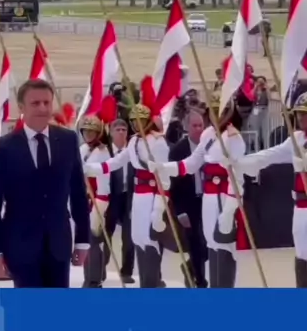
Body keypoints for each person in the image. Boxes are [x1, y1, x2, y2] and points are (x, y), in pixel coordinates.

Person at [0, 79, 90, 288]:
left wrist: (83, 240)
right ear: (21, 108)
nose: (42, 108)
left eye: (46, 102)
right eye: (35, 103)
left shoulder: (68, 140)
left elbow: (78, 193)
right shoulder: (4, 148)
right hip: (20, 245)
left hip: (58, 244)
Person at [151, 97, 245, 289]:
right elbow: (192, 163)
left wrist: (229, 210)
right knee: (210, 244)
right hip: (208, 198)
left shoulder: (234, 138)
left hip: (223, 196)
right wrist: (165, 167)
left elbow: (238, 177)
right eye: (212, 111)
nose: (215, 116)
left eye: (220, 111)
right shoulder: (208, 134)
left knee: (224, 245)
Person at [83, 102, 170, 288]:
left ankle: (152, 284)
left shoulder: (158, 142)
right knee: (138, 238)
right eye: (134, 121)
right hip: (138, 195)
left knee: (150, 240)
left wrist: (159, 208)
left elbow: (164, 179)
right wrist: (90, 168)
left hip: (153, 195)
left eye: (141, 121)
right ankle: (144, 284)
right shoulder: (133, 141)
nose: (137, 124)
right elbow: (115, 162)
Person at [234, 92, 307, 287]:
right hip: (300, 207)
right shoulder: (297, 139)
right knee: (302, 255)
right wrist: (239, 163)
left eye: (305, 114)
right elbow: (269, 155)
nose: (301, 118)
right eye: (299, 113)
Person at [169, 110, 208, 288]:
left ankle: (190, 267)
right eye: (195, 126)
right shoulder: (178, 150)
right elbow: (174, 184)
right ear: (187, 127)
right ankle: (200, 281)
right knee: (195, 242)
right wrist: (179, 211)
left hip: (208, 199)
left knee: (207, 244)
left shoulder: (210, 145)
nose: (199, 129)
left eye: (201, 125)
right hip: (188, 202)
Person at [78, 114, 111, 288]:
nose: (88, 135)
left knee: (94, 241)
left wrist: (100, 204)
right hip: (82, 200)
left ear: (98, 133)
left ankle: (95, 279)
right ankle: (87, 277)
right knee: (84, 241)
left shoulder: (103, 152)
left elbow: (104, 181)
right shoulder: (82, 149)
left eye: (92, 132)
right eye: (86, 131)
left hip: (97, 199)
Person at [103, 118, 135, 284]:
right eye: (118, 130)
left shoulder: (133, 151)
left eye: (124, 129)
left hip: (129, 197)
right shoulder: (105, 151)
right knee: (106, 234)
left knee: (129, 237)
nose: (121, 132)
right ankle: (100, 268)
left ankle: (127, 271)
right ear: (111, 132)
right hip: (111, 198)